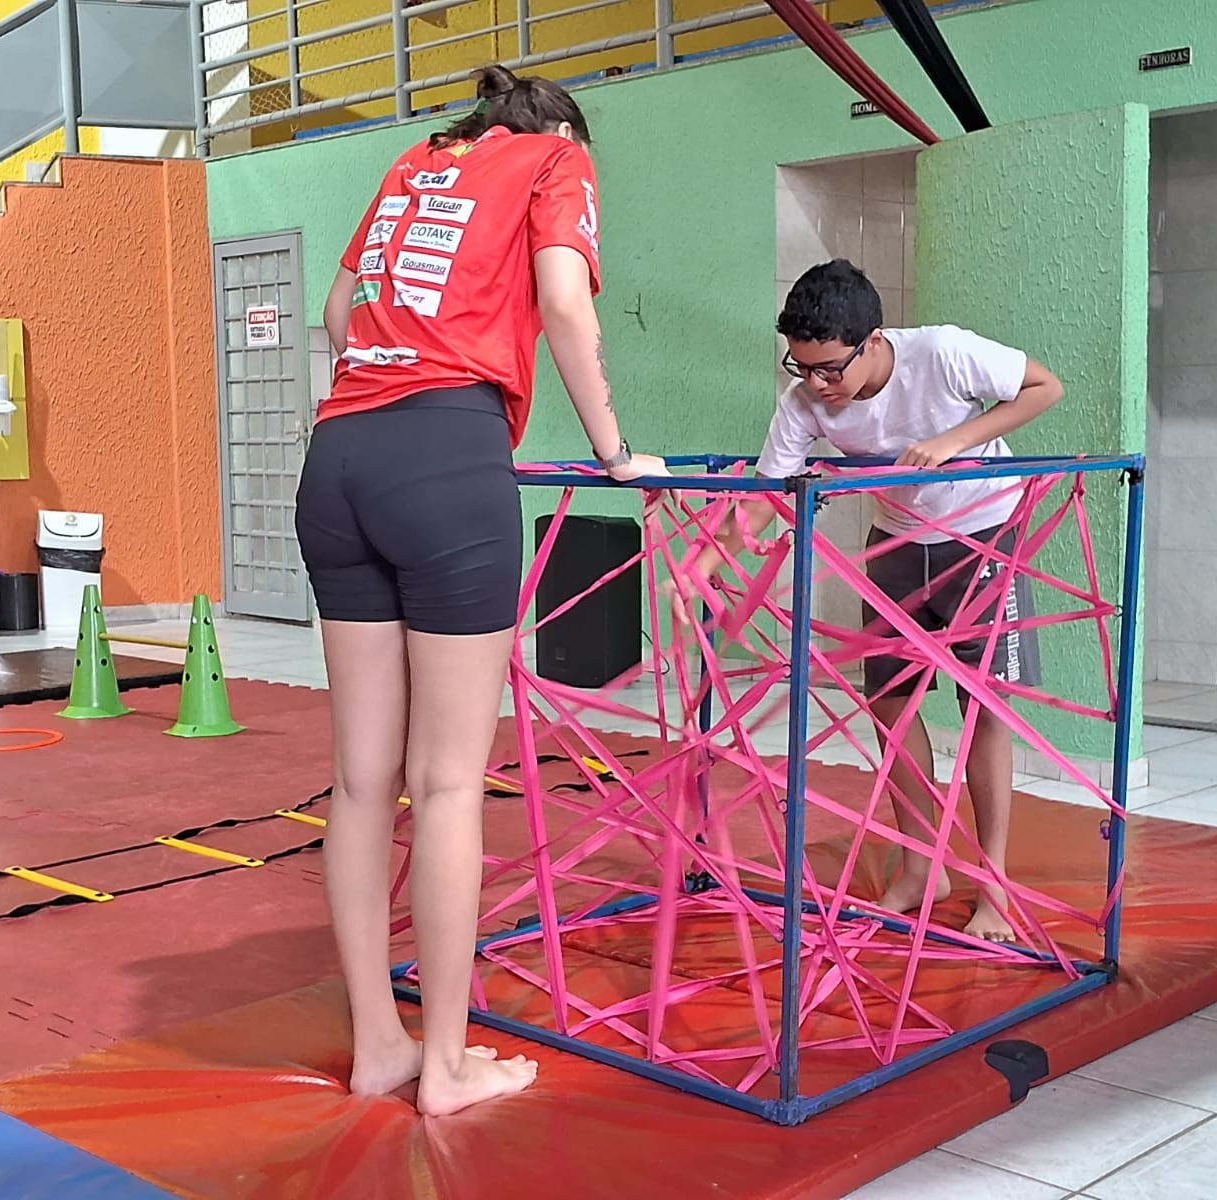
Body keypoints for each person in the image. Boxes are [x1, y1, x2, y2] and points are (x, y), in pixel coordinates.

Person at [295, 63, 667, 1116]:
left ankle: (380, 1045)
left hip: (339, 458)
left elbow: (339, 313)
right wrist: (615, 452)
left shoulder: (411, 165)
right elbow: (562, 305)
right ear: (555, 126)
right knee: (449, 781)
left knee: (363, 781)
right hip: (443, 462)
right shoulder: (557, 156)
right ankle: (448, 1067)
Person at [670, 259, 1062, 942]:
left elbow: (1043, 387)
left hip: (984, 533)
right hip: (900, 541)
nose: (819, 388)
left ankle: (992, 883)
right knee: (890, 701)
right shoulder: (804, 403)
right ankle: (921, 864)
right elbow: (762, 502)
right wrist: (699, 563)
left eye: (830, 370)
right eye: (802, 369)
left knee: (984, 711)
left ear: (873, 342)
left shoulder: (941, 353)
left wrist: (952, 442)